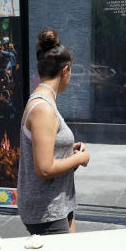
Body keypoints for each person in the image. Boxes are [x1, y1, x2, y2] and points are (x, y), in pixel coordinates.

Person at [17, 27, 89, 235]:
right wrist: (81, 158)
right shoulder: (43, 109)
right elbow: (45, 169)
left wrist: (68, 149)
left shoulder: (45, 103)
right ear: (65, 70)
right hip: (46, 210)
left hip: (58, 203)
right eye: (71, 72)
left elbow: (45, 148)